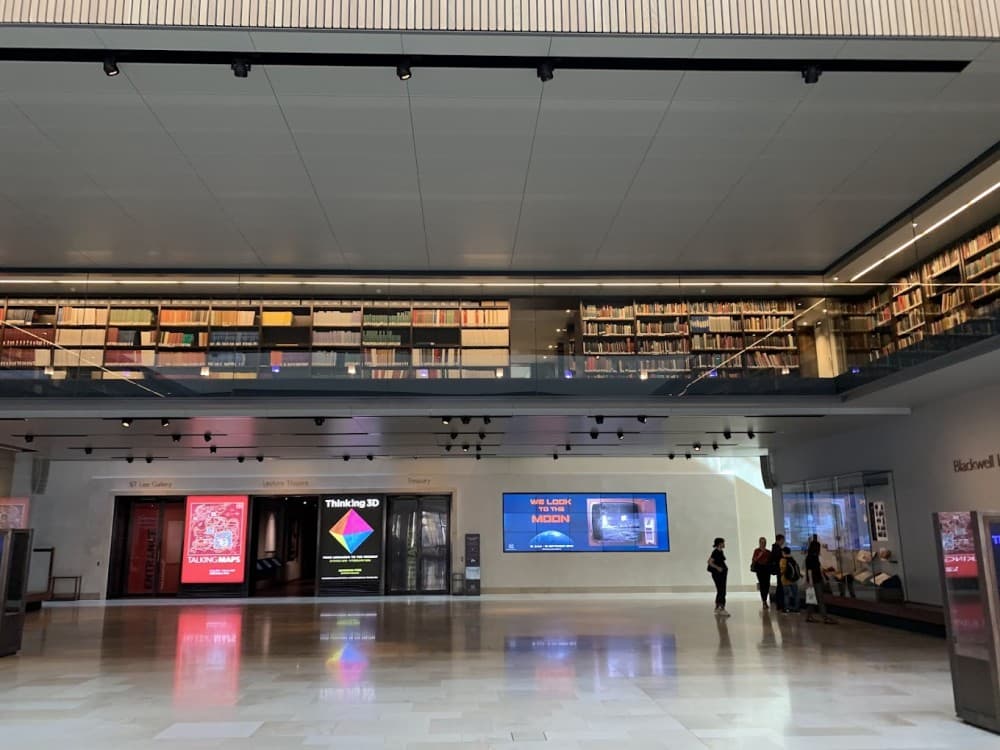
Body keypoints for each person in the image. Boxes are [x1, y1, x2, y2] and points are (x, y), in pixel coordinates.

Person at [805, 539, 835, 624]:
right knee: (819, 599)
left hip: (816, 580)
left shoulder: (812, 557)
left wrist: (823, 578)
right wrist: (811, 581)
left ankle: (809, 616)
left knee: (812, 599)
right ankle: (824, 617)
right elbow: (810, 570)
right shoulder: (811, 557)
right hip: (815, 581)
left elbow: (818, 569)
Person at [707, 537, 729, 617]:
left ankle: (718, 607)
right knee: (722, 590)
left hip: (722, 574)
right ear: (719, 543)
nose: (724, 544)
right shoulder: (716, 552)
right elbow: (709, 562)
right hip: (718, 575)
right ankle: (721, 608)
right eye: (723, 543)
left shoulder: (720, 552)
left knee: (721, 590)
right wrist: (718, 568)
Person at [751, 536, 772, 609]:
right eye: (762, 542)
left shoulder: (768, 552)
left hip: (767, 570)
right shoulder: (756, 551)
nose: (763, 544)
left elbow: (771, 561)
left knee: (767, 585)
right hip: (760, 569)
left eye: (764, 542)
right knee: (762, 585)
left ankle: (765, 599)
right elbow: (754, 560)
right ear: (759, 543)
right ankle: (764, 601)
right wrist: (759, 555)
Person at [779, 546, 800, 613]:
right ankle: (797, 608)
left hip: (785, 580)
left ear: (783, 552)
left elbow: (782, 570)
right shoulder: (793, 559)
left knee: (786, 595)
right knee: (795, 594)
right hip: (793, 580)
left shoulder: (783, 560)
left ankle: (787, 608)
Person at [770, 534, 786, 611]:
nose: (783, 542)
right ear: (780, 540)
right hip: (779, 570)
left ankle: (779, 604)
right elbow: (778, 559)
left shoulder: (775, 548)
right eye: (783, 540)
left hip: (778, 570)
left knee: (780, 586)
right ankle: (780, 604)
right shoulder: (777, 549)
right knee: (780, 587)